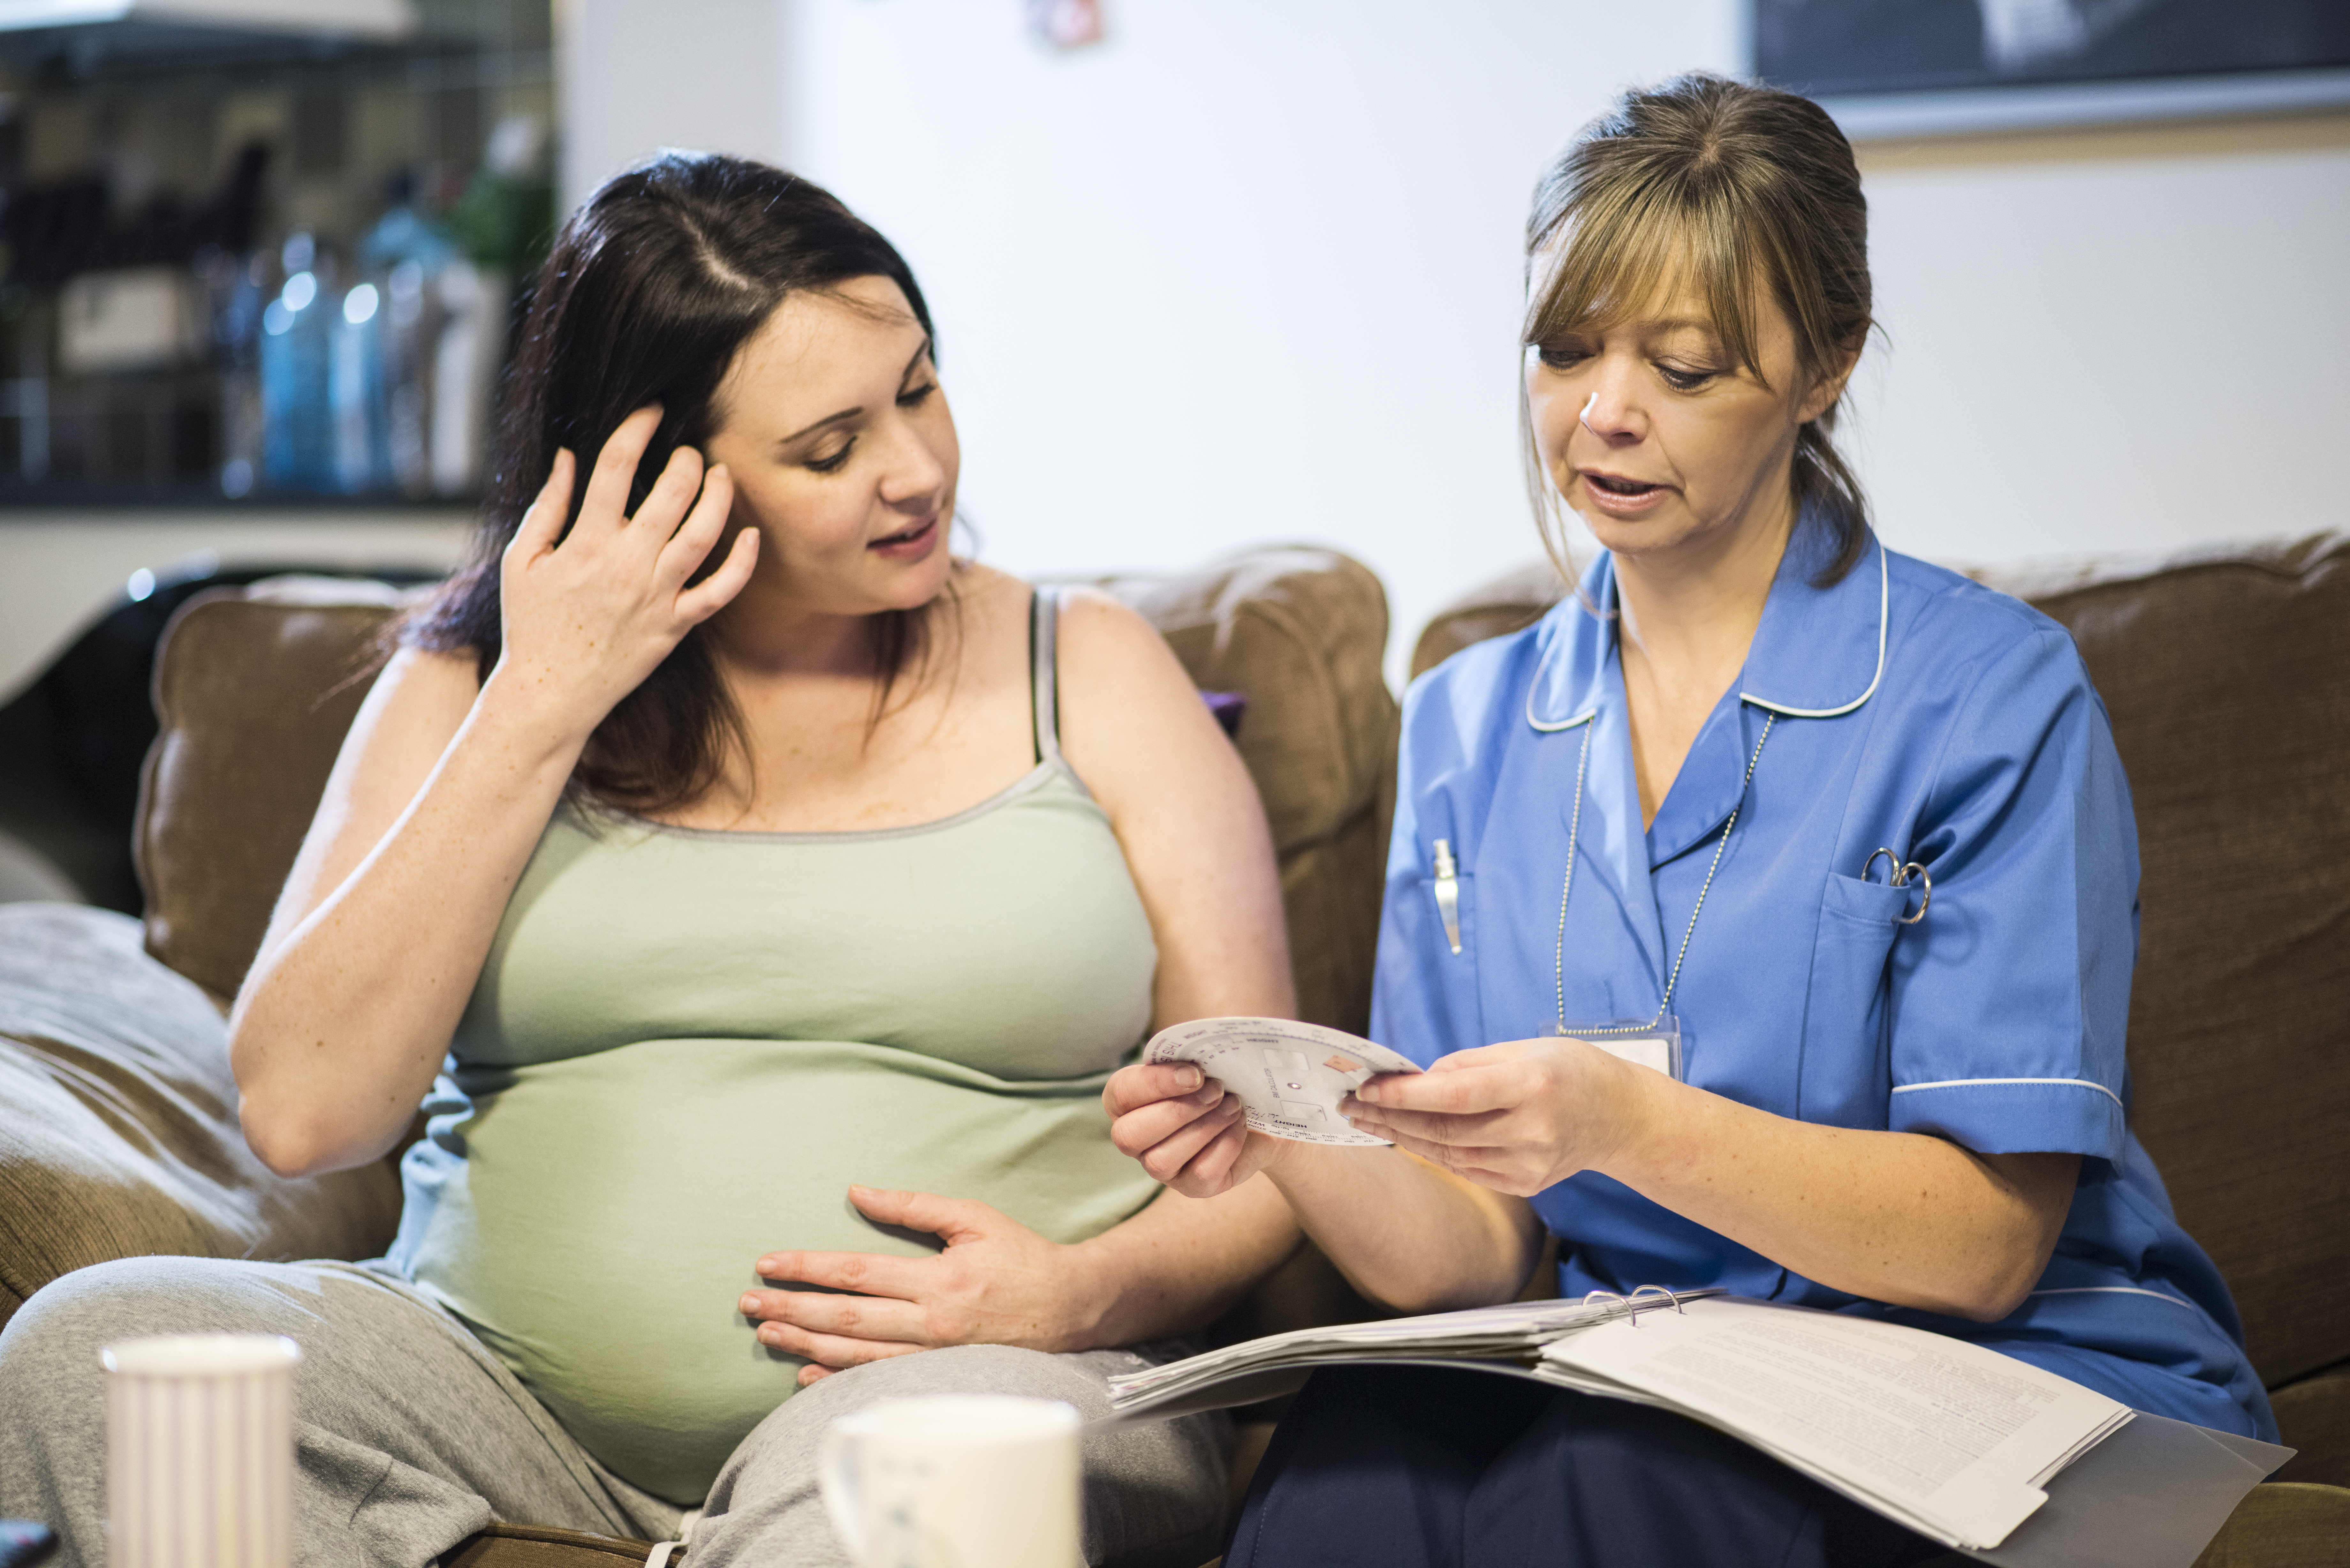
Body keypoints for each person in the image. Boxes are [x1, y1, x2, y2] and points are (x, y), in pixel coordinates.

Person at [0, 154, 1301, 1568]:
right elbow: (307, 1112)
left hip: (982, 1381)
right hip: (491, 1390)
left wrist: (1080, 1294)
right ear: (652, 468)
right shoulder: (469, 685)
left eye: (919, 388)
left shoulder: (1089, 667)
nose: (917, 467)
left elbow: (1284, 1130)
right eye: (830, 446)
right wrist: (544, 696)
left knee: (902, 1489)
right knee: (94, 1350)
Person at [1106, 73, 2276, 1567]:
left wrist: (1623, 1122)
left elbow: (1981, 1247)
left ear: (1826, 365)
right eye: (1565, 349)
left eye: (1686, 366)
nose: (1603, 414)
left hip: (2005, 1366)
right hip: (1647, 1358)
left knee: (1597, 1488)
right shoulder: (1468, 724)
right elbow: (1468, 1250)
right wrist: (1287, 1136)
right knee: (1350, 1478)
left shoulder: (1989, 696)